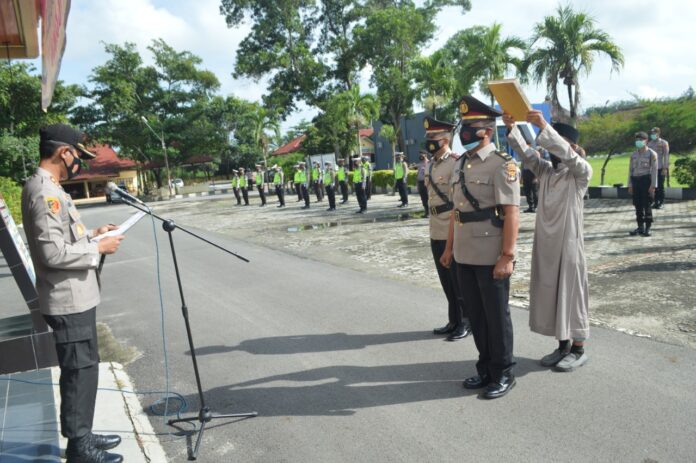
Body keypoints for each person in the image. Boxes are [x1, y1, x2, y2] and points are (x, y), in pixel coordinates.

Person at [22, 124, 124, 463]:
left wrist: (94, 235)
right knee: (79, 371)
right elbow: (52, 255)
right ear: (64, 153)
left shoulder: (49, 188)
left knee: (84, 368)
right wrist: (98, 251)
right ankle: (80, 448)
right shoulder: (45, 193)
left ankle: (84, 432)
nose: (78, 163)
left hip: (76, 297)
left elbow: (62, 240)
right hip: (67, 299)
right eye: (77, 155)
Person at [441, 96, 520, 400]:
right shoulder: (461, 163)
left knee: (496, 316)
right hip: (464, 253)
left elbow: (511, 213)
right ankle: (485, 367)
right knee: (475, 314)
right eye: (462, 127)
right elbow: (456, 212)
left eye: (468, 128)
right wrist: (449, 249)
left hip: (491, 254)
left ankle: (503, 372)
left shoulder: (502, 164)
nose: (462, 133)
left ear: (486, 130)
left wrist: (507, 256)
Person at [504, 111, 592, 372]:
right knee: (553, 294)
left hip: (569, 246)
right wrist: (512, 127)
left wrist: (543, 126)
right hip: (547, 246)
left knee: (572, 294)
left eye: (557, 143)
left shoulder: (579, 174)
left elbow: (569, 157)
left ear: (569, 146)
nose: (551, 149)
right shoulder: (547, 172)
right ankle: (562, 345)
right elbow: (527, 154)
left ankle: (578, 349)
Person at [423, 117, 470, 341]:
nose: (429, 141)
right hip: (435, 227)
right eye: (428, 137)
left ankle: (465, 322)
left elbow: (457, 203)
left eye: (433, 137)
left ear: (445, 139)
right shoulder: (431, 164)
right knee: (445, 279)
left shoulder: (456, 162)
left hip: (451, 227)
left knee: (457, 280)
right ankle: (453, 320)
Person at [628, 132, 658, 237]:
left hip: (646, 181)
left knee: (647, 204)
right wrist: (630, 185)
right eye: (636, 140)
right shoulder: (633, 154)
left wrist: (653, 186)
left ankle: (648, 227)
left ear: (646, 141)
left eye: (640, 140)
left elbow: (654, 171)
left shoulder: (652, 154)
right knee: (637, 205)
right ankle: (640, 227)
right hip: (635, 181)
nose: (638, 142)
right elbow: (630, 171)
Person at [648, 127, 670, 209]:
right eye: (652, 133)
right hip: (651, 168)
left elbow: (666, 156)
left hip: (660, 167)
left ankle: (661, 202)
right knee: (653, 185)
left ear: (658, 133)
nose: (653, 135)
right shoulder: (649, 144)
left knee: (660, 186)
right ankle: (655, 201)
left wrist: (665, 168)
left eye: (654, 133)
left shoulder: (664, 143)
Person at [521, 142, 539, 213]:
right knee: (527, 191)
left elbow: (538, 164)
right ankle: (530, 207)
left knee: (535, 191)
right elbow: (522, 164)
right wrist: (522, 176)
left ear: (529, 145)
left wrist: (536, 176)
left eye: (526, 145)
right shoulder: (523, 153)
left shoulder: (535, 152)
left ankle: (536, 207)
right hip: (525, 172)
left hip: (533, 172)